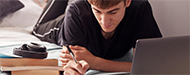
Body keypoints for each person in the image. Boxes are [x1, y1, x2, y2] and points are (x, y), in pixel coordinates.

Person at [32, 0, 162, 74]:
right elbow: (74, 66)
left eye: (113, 12)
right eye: (97, 11)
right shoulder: (77, 10)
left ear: (127, 1)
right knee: (37, 29)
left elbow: (149, 66)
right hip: (59, 26)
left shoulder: (141, 8)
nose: (105, 22)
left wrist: (95, 62)